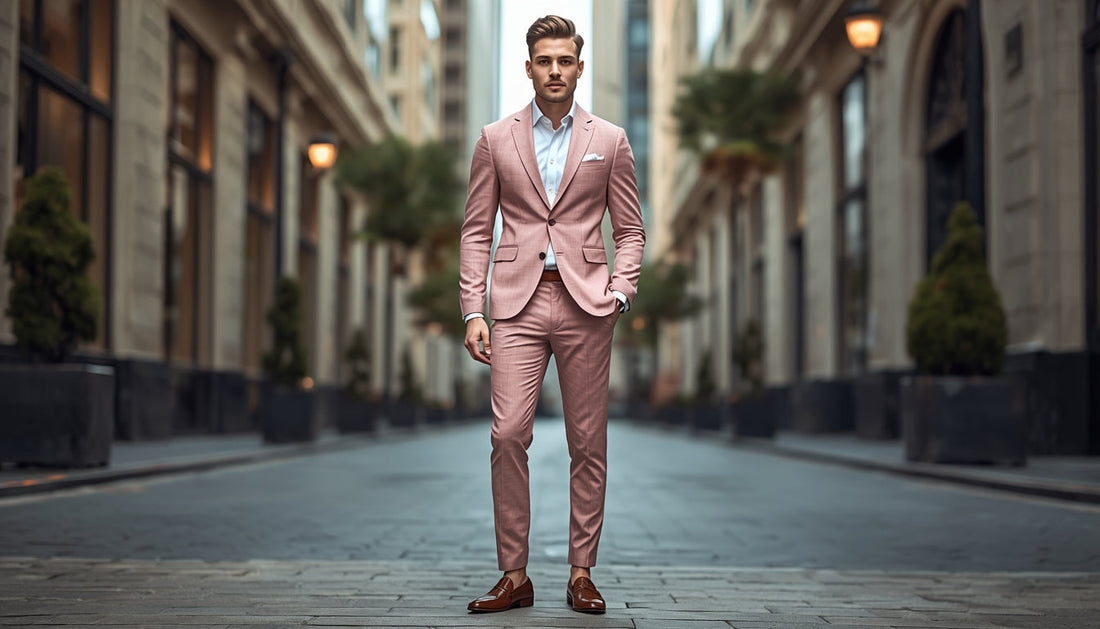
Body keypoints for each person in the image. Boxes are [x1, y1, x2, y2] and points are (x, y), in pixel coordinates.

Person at [459, 14, 645, 615]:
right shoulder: (494, 138)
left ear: (579, 67)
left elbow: (631, 229)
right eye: (545, 60)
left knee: (587, 442)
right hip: (514, 302)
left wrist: (620, 291)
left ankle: (581, 572)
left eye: (565, 60)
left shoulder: (610, 140)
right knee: (508, 433)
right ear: (529, 66)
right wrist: (472, 309)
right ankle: (514, 575)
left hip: (587, 304)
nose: (555, 70)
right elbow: (474, 230)